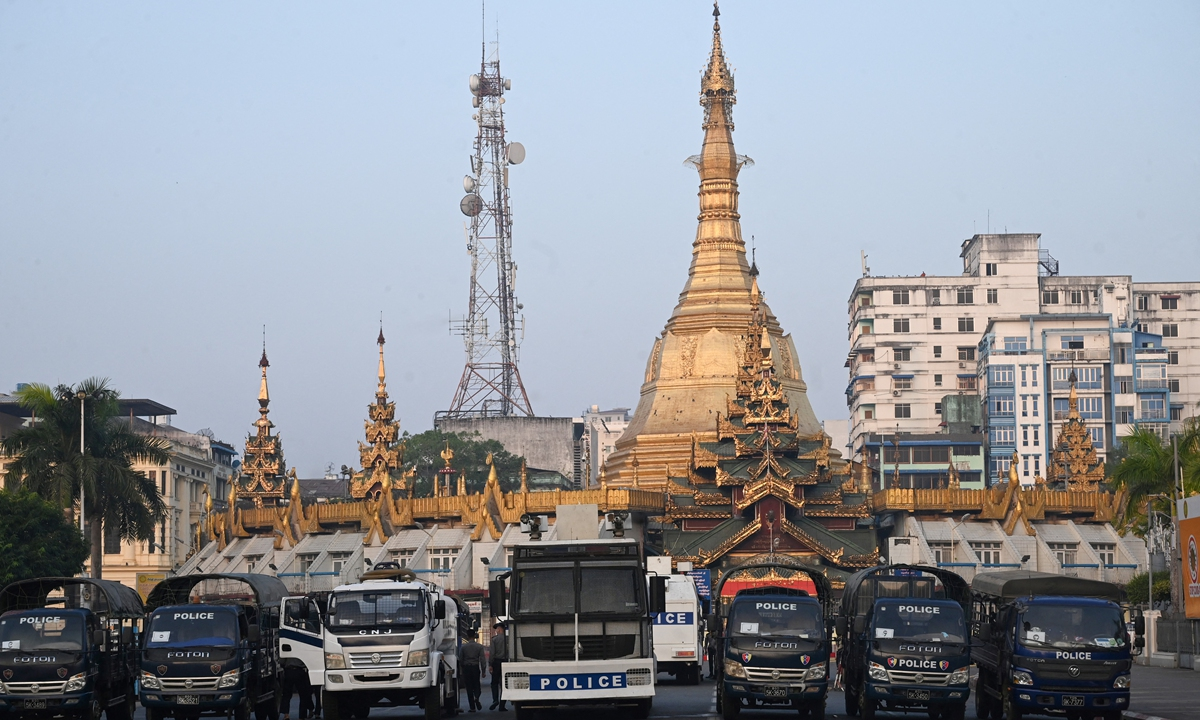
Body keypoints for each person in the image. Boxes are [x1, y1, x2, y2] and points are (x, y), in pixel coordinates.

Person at [460, 630, 487, 712]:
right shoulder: (479, 647)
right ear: (475, 636)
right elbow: (482, 660)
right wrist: (483, 671)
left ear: (467, 636)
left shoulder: (463, 647)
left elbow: (461, 659)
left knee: (469, 687)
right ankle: (477, 697)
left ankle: (472, 707)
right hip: (475, 667)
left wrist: (462, 669)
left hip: (467, 668)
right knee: (476, 684)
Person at [489, 622, 507, 711]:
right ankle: (502, 705)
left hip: (496, 662)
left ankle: (495, 700)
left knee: (494, 683)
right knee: (504, 684)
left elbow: (492, 653)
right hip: (506, 662)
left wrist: (490, 664)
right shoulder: (508, 639)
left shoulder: (494, 640)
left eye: (496, 629)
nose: (496, 630)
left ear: (499, 629)